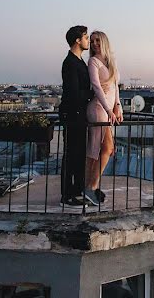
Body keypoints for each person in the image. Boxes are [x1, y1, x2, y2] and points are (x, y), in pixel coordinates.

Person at [84, 30, 123, 205]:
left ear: (105, 42)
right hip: (98, 108)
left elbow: (115, 87)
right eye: (92, 41)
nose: (94, 44)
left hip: (107, 110)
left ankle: (91, 186)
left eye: (97, 41)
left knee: (106, 148)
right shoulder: (93, 61)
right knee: (95, 149)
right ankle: (88, 187)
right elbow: (96, 86)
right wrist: (108, 110)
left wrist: (118, 107)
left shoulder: (110, 62)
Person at [60, 25, 91, 206]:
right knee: (72, 154)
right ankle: (67, 194)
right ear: (78, 40)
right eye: (86, 37)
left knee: (78, 154)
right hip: (73, 115)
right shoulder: (70, 62)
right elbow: (74, 93)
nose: (87, 41)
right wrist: (93, 94)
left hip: (79, 114)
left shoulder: (78, 61)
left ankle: (77, 190)